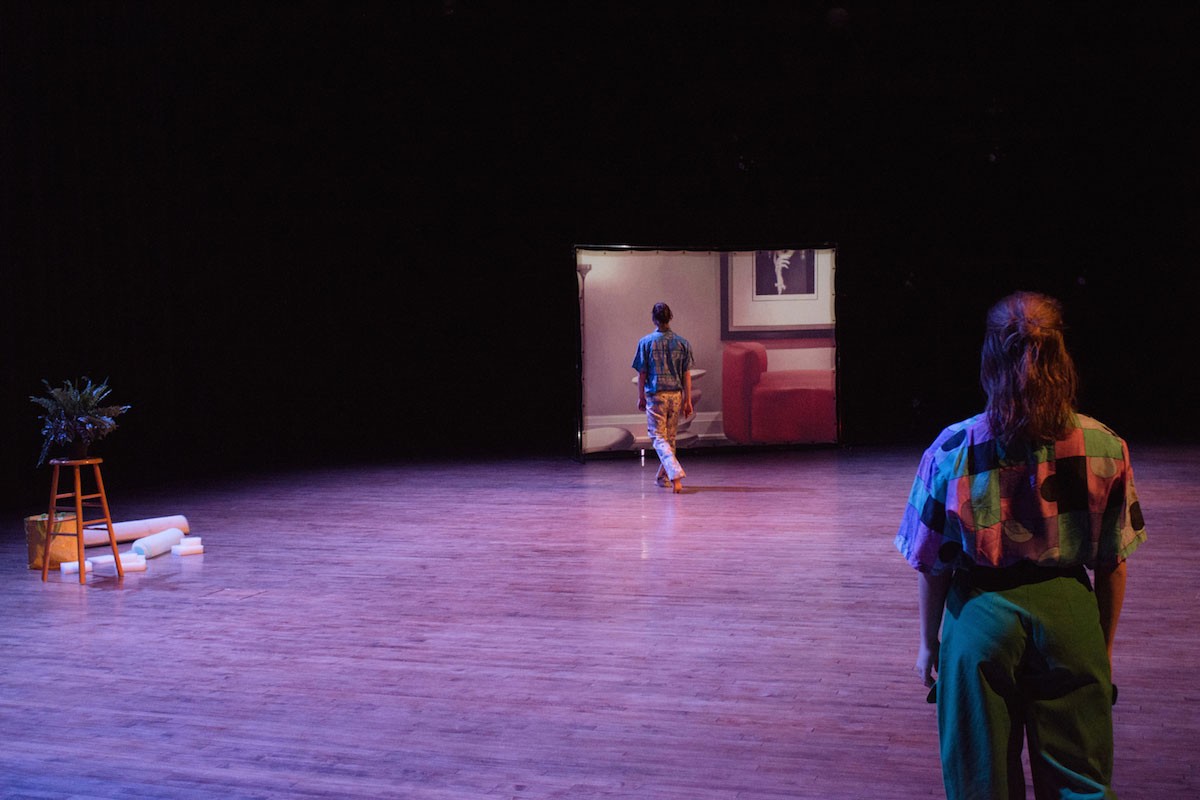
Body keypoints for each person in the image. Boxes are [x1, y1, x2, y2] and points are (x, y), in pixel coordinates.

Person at [895, 291, 1146, 799]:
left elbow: (932, 563)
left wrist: (929, 642)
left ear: (990, 359)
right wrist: (1100, 647)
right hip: (1069, 617)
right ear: (1062, 358)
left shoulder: (953, 448)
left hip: (979, 617)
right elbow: (1112, 562)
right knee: (1080, 781)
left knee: (980, 781)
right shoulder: (1105, 445)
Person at [632, 302, 694, 493]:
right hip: (675, 395)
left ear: (654, 318)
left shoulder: (646, 343)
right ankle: (662, 477)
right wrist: (687, 400)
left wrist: (641, 396)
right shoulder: (682, 343)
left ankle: (675, 474)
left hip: (656, 395)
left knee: (658, 437)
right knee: (670, 438)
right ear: (670, 317)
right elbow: (686, 374)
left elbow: (642, 373)